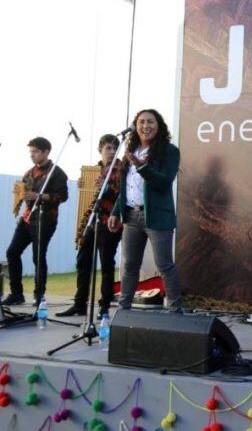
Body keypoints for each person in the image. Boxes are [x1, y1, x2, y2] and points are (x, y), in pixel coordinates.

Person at [108, 109, 183, 312]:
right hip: (131, 216)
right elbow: (126, 187)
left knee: (165, 265)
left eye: (150, 122)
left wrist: (142, 167)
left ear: (159, 126)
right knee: (129, 266)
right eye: (141, 122)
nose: (145, 126)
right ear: (135, 126)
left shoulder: (169, 151)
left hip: (157, 216)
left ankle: (176, 311)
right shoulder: (130, 150)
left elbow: (164, 181)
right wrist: (116, 212)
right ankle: (123, 311)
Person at [57, 134, 123, 317]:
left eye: (114, 149)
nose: (111, 152)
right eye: (107, 148)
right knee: (82, 261)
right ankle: (80, 304)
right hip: (92, 222)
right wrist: (83, 185)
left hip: (110, 222)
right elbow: (88, 199)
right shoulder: (93, 171)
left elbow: (124, 197)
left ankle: (104, 307)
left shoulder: (123, 170)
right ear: (100, 150)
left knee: (107, 264)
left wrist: (107, 188)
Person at [2, 137, 68, 306]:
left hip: (46, 219)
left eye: (35, 151)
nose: (32, 155)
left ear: (46, 152)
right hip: (27, 218)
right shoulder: (29, 173)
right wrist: (20, 194)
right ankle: (17, 293)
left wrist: (38, 196)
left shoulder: (57, 172)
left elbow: (62, 196)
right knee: (12, 252)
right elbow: (25, 193)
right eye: (30, 152)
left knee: (38, 257)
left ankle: (39, 295)